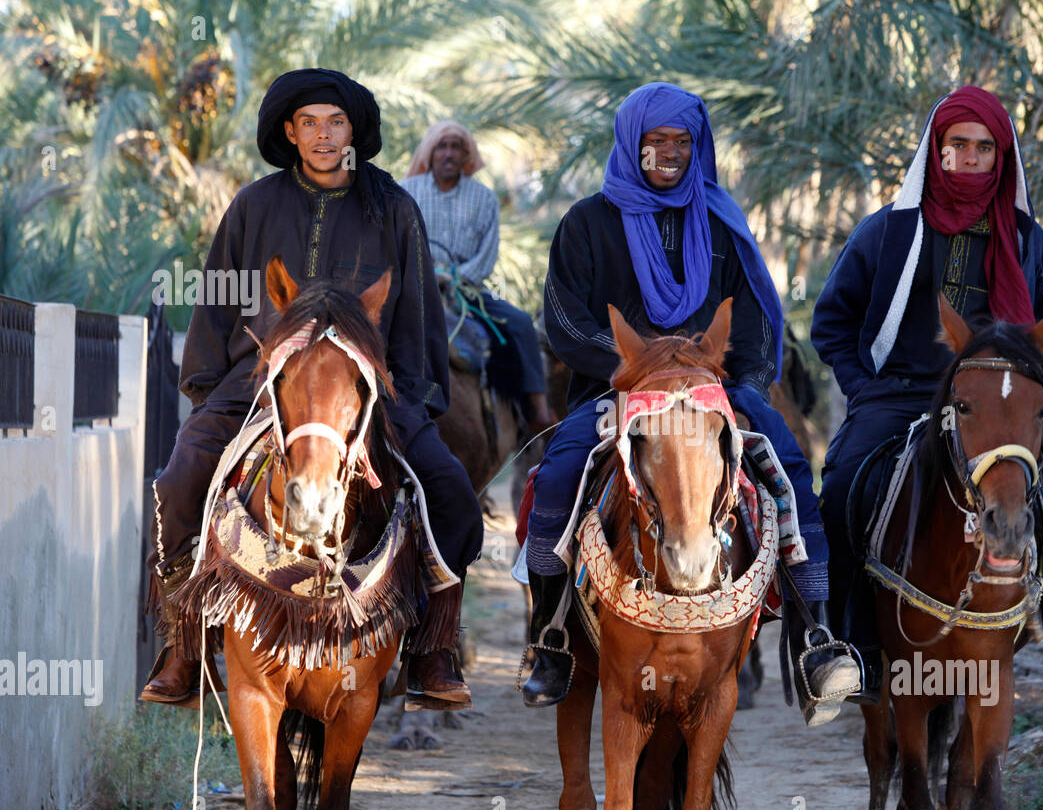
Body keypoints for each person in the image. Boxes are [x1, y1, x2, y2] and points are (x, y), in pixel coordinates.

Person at [519, 81, 861, 726]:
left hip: (713, 390)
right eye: (657, 142)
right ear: (632, 144)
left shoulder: (722, 222)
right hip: (618, 388)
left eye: (683, 142)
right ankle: (551, 638)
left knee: (787, 468)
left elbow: (757, 319)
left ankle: (817, 639)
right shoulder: (587, 222)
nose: (671, 153)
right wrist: (638, 367)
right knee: (561, 475)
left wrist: (747, 387)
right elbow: (564, 322)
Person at [141, 68, 483, 710]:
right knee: (179, 480)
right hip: (256, 382)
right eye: (309, 124)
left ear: (354, 130)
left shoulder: (394, 210)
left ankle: (433, 647)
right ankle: (183, 643)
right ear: (289, 133)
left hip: (366, 389)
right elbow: (219, 303)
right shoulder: (254, 206)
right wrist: (210, 394)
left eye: (336, 122)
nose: (324, 136)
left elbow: (414, 316)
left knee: (451, 492)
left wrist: (411, 398)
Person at [812, 85, 1043, 696]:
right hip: (899, 394)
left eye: (984, 149)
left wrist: (1025, 386)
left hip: (1000, 401)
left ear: (1001, 159)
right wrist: (863, 388)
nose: (971, 158)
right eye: (958, 146)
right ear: (936, 152)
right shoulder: (884, 234)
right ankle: (849, 650)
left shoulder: (1029, 240)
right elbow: (832, 323)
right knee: (841, 490)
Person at [400, 121, 556, 434]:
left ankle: (536, 408)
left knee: (520, 322)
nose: (448, 154)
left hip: (469, 289)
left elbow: (486, 256)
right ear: (429, 154)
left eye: (456, 147)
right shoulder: (406, 192)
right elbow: (397, 245)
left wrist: (455, 278)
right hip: (415, 288)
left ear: (467, 155)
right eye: (441, 147)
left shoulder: (484, 198)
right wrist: (429, 277)